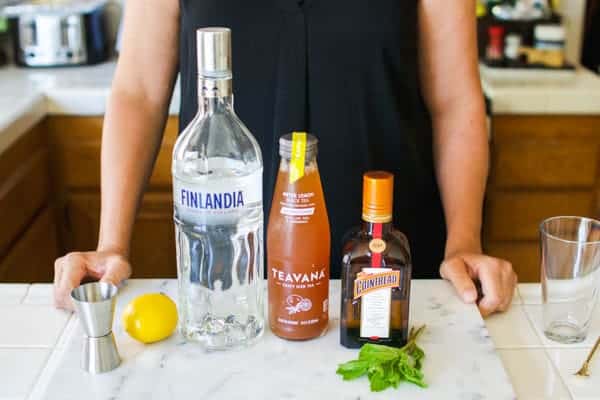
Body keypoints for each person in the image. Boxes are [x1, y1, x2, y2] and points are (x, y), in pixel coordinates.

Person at [53, 0, 517, 316]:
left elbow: (455, 100)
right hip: (230, 272)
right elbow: (138, 91)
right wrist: (111, 244)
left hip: (388, 266)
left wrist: (464, 243)